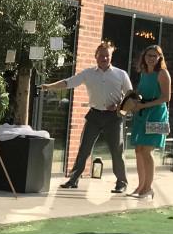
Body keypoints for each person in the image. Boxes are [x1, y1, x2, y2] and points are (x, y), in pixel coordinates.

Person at [41, 42, 133, 192]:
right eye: (101, 55)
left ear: (111, 57)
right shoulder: (88, 73)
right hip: (94, 115)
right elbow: (68, 83)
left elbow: (130, 95)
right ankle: (73, 179)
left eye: (107, 56)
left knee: (117, 150)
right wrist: (49, 86)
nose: (104, 58)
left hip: (113, 117)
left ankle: (121, 183)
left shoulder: (121, 74)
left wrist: (118, 107)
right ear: (96, 56)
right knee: (84, 148)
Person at [127, 44, 170, 200]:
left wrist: (143, 105)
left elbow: (166, 98)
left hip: (157, 115)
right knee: (138, 150)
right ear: (144, 57)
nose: (151, 58)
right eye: (148, 55)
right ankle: (140, 186)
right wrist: (131, 99)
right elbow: (141, 91)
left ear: (159, 58)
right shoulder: (144, 73)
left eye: (154, 56)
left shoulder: (163, 73)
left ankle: (148, 188)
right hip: (142, 114)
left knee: (147, 151)